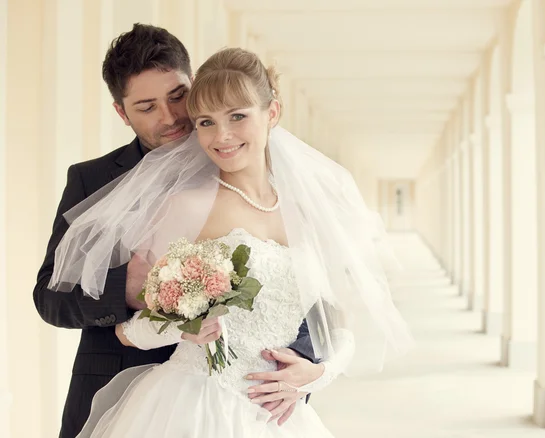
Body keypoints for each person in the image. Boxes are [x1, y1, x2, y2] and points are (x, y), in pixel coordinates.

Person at [49, 47, 413, 437]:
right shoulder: (184, 206)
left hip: (278, 413)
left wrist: (318, 373)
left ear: (272, 113)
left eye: (238, 117)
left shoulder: (307, 210)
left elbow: (337, 319)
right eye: (206, 122)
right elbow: (131, 330)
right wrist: (181, 328)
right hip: (195, 404)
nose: (222, 136)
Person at [33, 24, 314, 438]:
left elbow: (289, 284)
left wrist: (306, 363)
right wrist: (127, 290)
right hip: (123, 392)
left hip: (239, 401)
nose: (170, 117)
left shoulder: (247, 160)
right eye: (146, 107)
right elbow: (49, 297)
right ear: (121, 112)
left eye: (178, 96)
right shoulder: (90, 181)